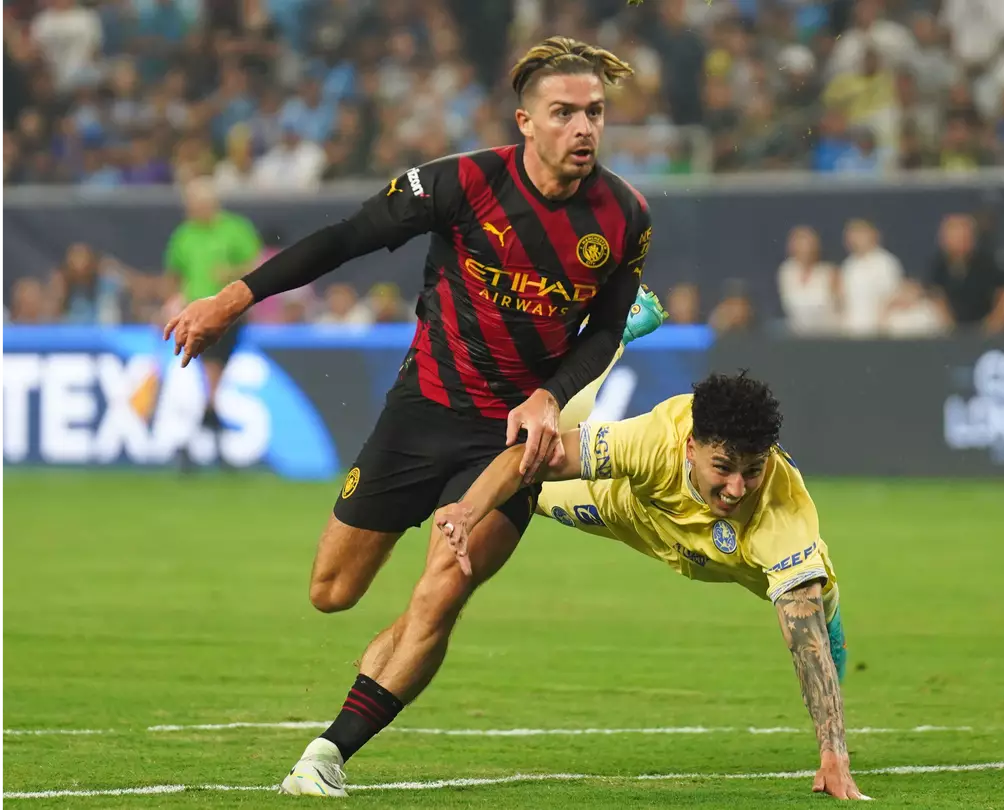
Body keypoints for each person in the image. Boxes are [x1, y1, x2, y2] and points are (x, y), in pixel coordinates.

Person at [160, 36, 668, 794]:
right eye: (563, 113)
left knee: (443, 587)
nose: (583, 128)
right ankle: (382, 666)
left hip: (509, 439)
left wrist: (549, 397)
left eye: (594, 113)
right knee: (332, 592)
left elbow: (599, 330)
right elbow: (344, 240)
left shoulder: (625, 216)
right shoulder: (460, 183)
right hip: (422, 409)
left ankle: (329, 753)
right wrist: (231, 301)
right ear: (524, 121)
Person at [432, 372, 865, 800]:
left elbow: (804, 645)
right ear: (691, 449)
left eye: (752, 470)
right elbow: (529, 457)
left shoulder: (782, 511)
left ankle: (834, 620)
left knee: (815, 611)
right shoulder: (654, 438)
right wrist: (468, 511)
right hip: (628, 512)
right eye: (723, 467)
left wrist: (834, 757)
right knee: (523, 477)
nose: (736, 487)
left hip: (740, 556)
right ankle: (617, 341)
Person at [162, 177, 264, 468]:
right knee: (206, 376)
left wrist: (232, 272)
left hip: (230, 315)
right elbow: (174, 274)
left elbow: (258, 264)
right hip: (193, 316)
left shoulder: (235, 229)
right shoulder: (184, 235)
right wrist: (170, 304)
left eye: (195, 205)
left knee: (210, 373)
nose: (191, 210)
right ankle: (209, 423)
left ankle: (199, 433)